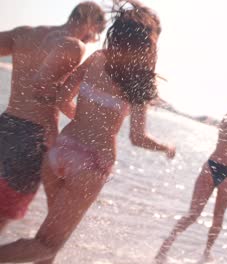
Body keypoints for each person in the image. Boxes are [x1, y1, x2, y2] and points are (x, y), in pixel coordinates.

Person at [0, 1, 175, 263]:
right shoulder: (141, 79)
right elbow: (138, 138)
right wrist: (166, 147)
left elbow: (61, 98)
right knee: (46, 244)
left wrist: (85, 117)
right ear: (148, 43)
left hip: (59, 152)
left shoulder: (97, 58)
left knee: (50, 237)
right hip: (91, 165)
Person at [0, 1, 106, 231]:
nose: (93, 40)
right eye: (97, 33)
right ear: (90, 23)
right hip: (33, 136)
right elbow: (52, 95)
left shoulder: (25, 33)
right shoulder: (73, 46)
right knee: (4, 213)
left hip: (5, 124)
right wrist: (87, 122)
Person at [155, 93, 227, 263]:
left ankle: (165, 248)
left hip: (212, 167)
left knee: (195, 213)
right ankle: (205, 254)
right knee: (217, 216)